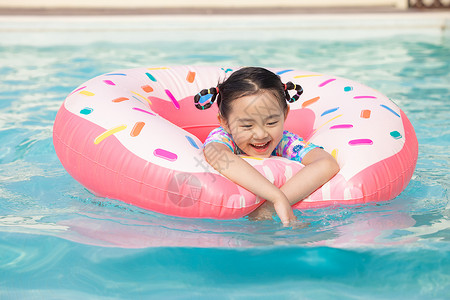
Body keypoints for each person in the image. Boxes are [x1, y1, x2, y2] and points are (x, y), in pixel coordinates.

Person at [195, 67, 340, 226]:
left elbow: (326, 163)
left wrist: (270, 207)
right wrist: (275, 196)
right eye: (247, 126)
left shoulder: (285, 141)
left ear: (285, 114)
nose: (261, 134)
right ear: (225, 123)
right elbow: (217, 155)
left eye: (271, 123)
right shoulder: (223, 137)